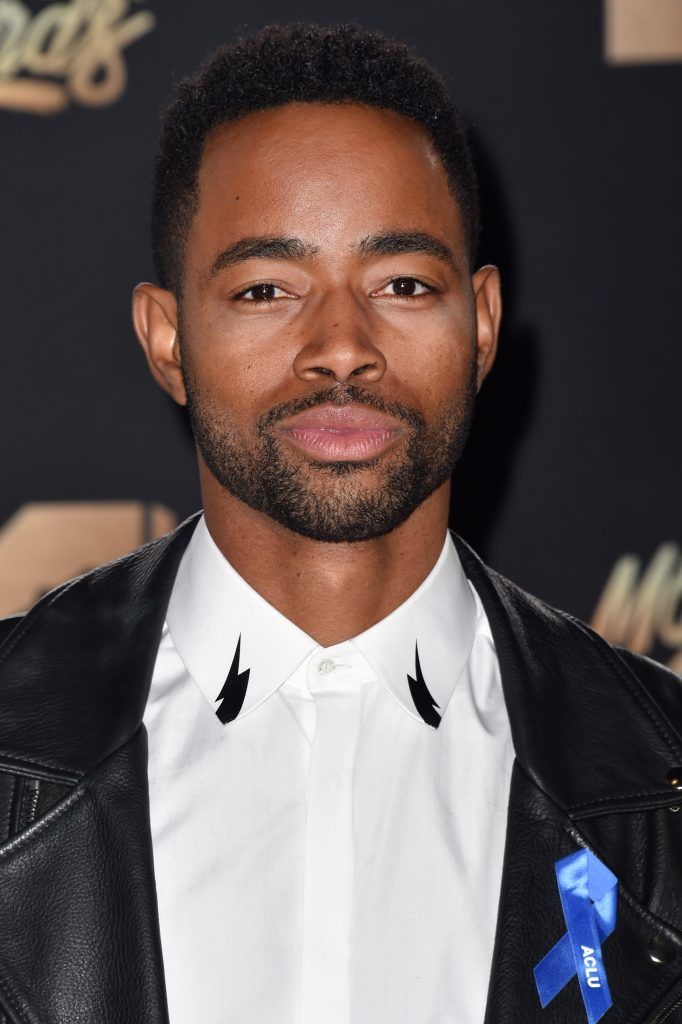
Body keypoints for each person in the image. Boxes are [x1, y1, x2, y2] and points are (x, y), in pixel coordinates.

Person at [0, 21, 680, 1024]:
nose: (340, 348)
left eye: (401, 284)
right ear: (167, 337)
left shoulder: (659, 782)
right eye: (267, 288)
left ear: (481, 324)